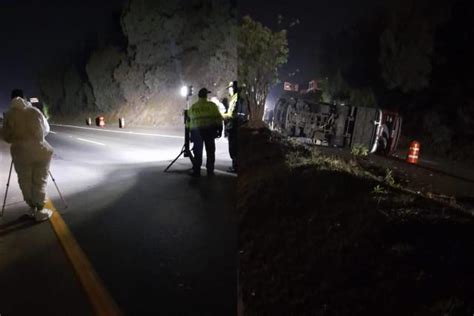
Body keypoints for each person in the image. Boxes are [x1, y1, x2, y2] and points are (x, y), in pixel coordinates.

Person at [2, 89, 54, 221]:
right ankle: (40, 210)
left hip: (21, 154)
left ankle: (32, 208)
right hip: (41, 151)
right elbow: (46, 129)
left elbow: (6, 136)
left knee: (25, 181)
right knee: (40, 180)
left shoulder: (9, 115)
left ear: (11, 98)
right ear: (24, 98)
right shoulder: (34, 111)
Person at [188, 88, 223, 177]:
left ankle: (197, 171)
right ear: (206, 95)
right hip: (209, 130)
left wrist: (190, 133)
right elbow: (218, 118)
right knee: (210, 151)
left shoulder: (193, 107)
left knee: (198, 152)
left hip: (196, 131)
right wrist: (220, 130)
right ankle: (210, 171)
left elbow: (188, 121)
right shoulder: (212, 106)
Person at [222, 81, 246, 172]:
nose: (229, 90)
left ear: (234, 89)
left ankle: (235, 166)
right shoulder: (241, 99)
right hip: (239, 125)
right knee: (236, 147)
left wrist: (222, 114)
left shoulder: (235, 99)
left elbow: (232, 115)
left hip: (234, 127)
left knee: (233, 148)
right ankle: (236, 165)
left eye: (230, 88)